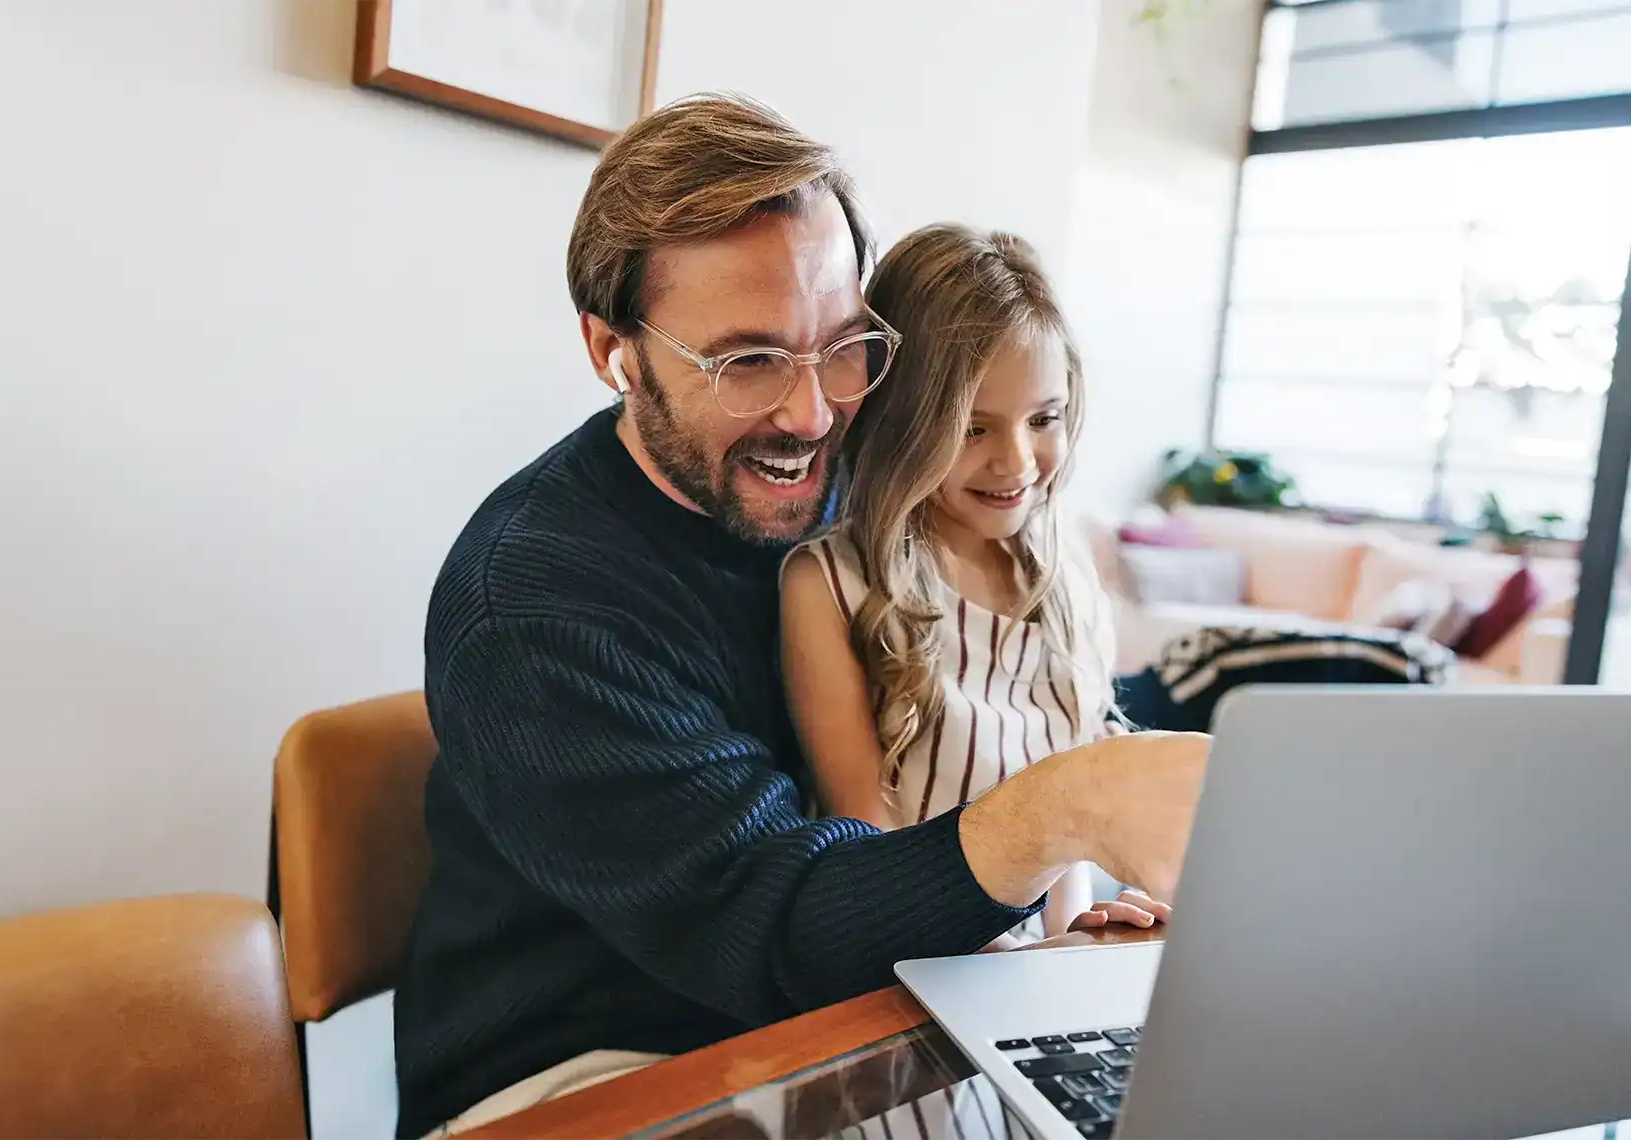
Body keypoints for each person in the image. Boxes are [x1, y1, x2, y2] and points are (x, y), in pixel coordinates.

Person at [394, 92, 1210, 1140]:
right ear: (613, 352)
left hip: (865, 1010)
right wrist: (1063, 809)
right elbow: (778, 929)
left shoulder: (851, 493)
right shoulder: (535, 611)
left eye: (844, 344)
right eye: (748, 361)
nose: (814, 411)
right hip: (596, 1068)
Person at [780, 224, 1159, 949]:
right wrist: (1026, 960)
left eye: (1043, 419)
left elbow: (1068, 835)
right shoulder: (829, 583)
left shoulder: (1062, 573)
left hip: (1034, 971)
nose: (1017, 461)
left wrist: (1078, 936)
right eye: (973, 428)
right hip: (913, 963)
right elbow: (865, 845)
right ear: (903, 422)